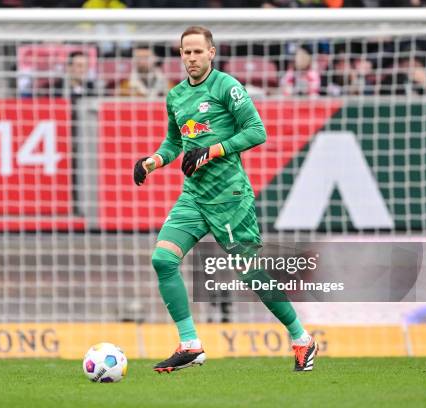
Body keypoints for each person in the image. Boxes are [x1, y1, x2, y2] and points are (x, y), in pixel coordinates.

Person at [133, 26, 317, 373]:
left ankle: (302, 339)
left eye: (197, 52)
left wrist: (213, 150)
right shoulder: (175, 96)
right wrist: (152, 161)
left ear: (211, 53)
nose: (191, 58)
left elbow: (256, 131)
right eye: (185, 52)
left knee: (251, 276)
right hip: (194, 197)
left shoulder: (227, 87)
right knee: (162, 259)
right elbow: (175, 143)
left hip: (230, 197)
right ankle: (190, 344)